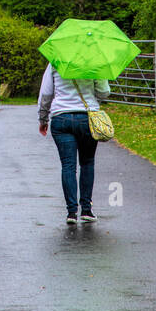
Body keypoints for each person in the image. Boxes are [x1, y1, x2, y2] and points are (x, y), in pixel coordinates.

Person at [38, 63, 111, 223]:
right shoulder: (93, 61)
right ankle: (86, 209)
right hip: (87, 118)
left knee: (68, 166)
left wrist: (43, 118)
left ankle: (71, 212)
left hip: (61, 117)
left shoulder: (55, 61)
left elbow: (46, 93)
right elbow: (104, 93)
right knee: (87, 163)